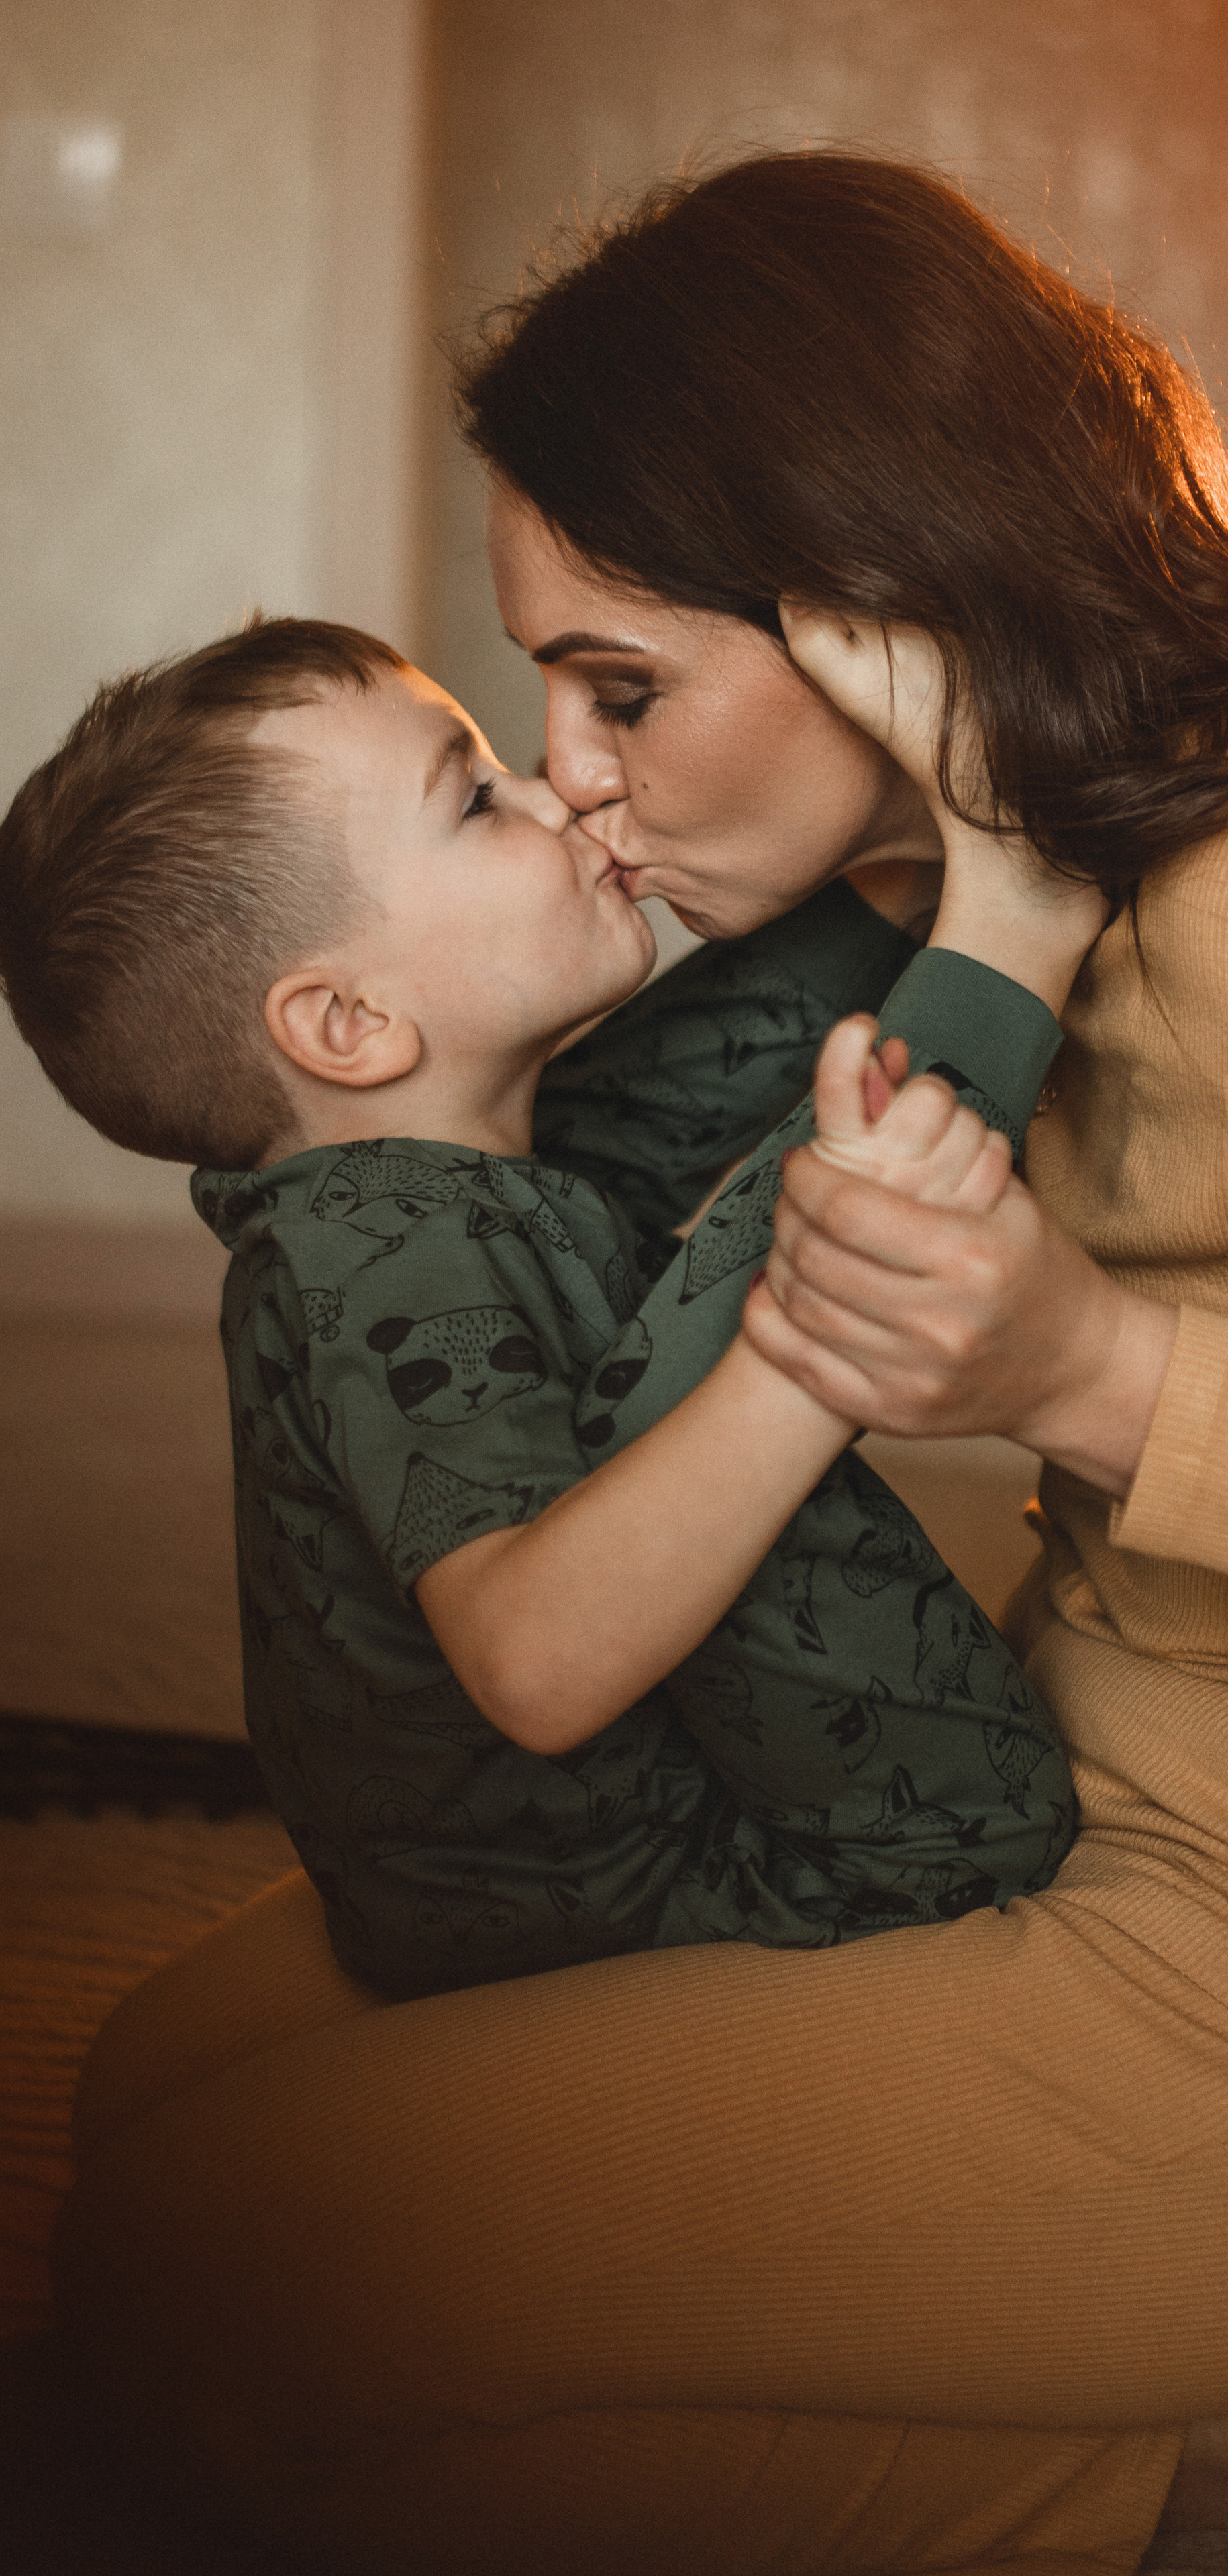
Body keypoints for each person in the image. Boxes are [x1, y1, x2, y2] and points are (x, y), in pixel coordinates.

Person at [51, 150, 1228, 2573]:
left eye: (618, 686)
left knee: (209, 2293)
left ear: (882, 614)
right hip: (1041, 1810)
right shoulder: (975, 881)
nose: (575, 774)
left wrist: (1095, 1372)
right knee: (150, 2094)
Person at [0, 612, 1091, 1998]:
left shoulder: (417, 1169)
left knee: (619, 1141)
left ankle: (974, 919)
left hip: (567, 1883)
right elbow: (534, 1660)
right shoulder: (384, 1261)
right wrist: (812, 1342)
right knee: (761, 1253)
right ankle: (1013, 936)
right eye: (471, 799)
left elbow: (730, 1032)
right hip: (692, 1902)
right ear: (349, 1025)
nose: (553, 785)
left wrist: (913, 813)